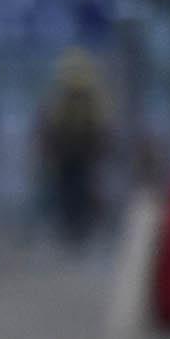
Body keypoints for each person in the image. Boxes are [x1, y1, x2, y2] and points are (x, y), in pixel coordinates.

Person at [38, 48, 114, 248]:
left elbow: (99, 125)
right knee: (71, 191)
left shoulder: (75, 95)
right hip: (72, 151)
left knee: (76, 191)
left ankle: (77, 230)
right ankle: (73, 230)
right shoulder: (82, 95)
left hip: (78, 151)